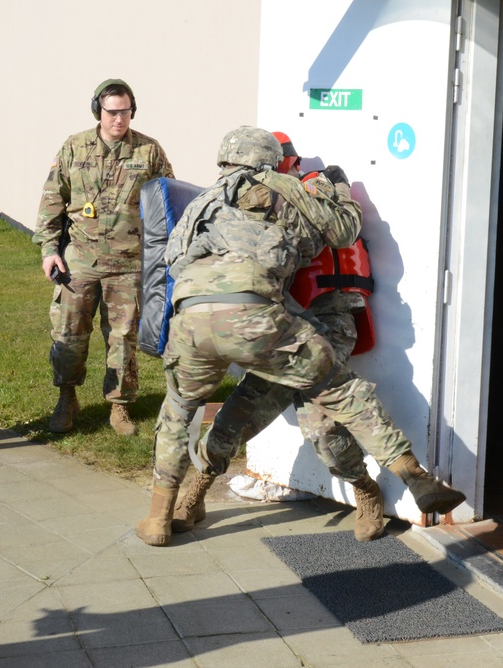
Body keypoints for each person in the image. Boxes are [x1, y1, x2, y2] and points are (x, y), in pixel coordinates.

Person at [167, 133, 465, 544]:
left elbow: (341, 229)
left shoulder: (309, 190)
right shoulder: (241, 198)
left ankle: (364, 488)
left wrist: (338, 190)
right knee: (237, 413)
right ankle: (196, 490)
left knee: (322, 425)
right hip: (274, 325)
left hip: (326, 319)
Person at [32, 78, 174, 436]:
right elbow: (52, 199)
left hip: (128, 263)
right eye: (112, 112)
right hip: (79, 259)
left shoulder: (149, 151)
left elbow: (167, 203)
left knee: (123, 338)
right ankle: (67, 398)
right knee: (69, 334)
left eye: (125, 112)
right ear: (99, 111)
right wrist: (49, 250)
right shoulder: (74, 147)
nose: (119, 120)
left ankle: (120, 406)